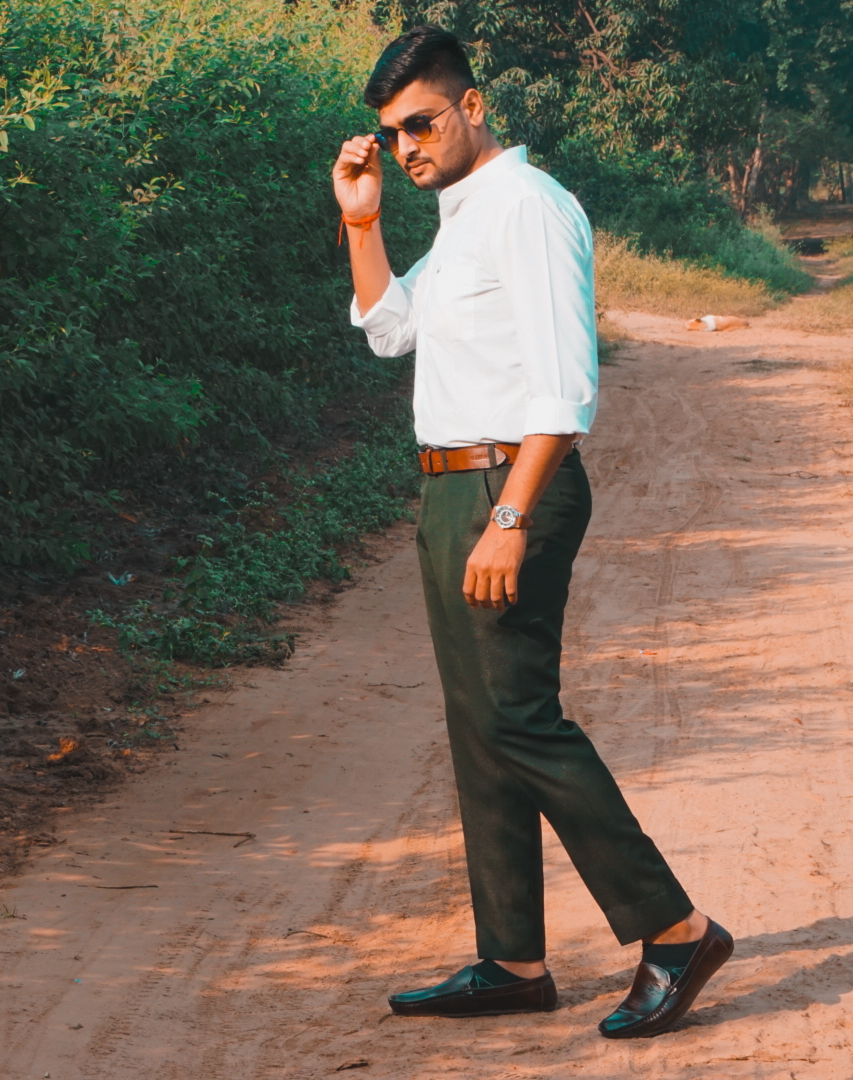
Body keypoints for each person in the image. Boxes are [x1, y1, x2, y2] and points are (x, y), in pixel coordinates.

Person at [331, 25, 732, 1039]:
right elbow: (390, 331)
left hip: (508, 487)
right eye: (392, 132)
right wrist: (361, 222)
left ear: (472, 105)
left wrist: (508, 517)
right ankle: (511, 957)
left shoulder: (528, 206)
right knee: (480, 722)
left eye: (422, 122)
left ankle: (675, 930)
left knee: (517, 715)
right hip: (449, 490)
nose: (406, 145)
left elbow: (564, 385)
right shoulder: (462, 219)